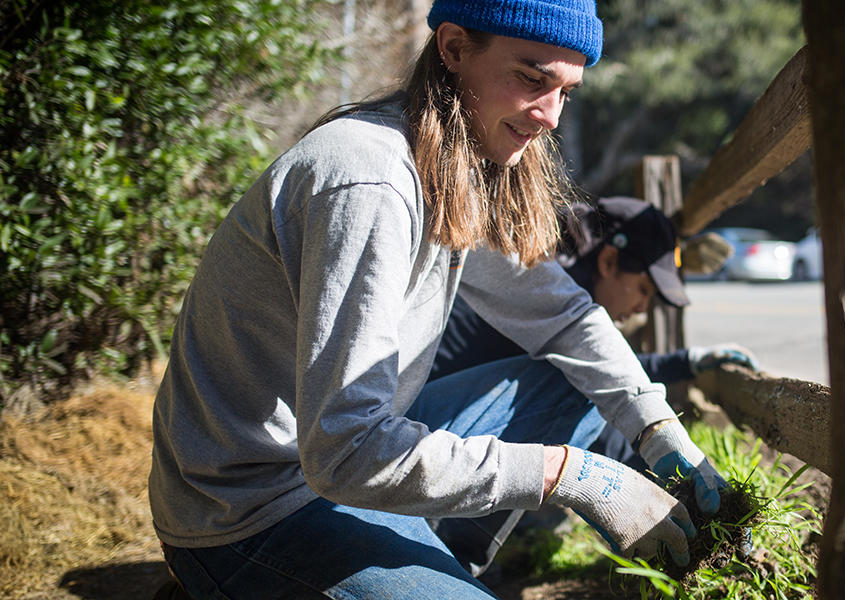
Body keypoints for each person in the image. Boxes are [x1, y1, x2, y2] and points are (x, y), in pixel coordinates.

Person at [148, 1, 730, 598]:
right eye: (532, 78)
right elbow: (345, 451)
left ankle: (428, 563)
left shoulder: (452, 162)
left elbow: (562, 315)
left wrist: (660, 430)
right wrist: (569, 474)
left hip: (338, 460)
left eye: (567, 90)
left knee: (574, 383)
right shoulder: (370, 181)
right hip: (252, 509)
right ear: (453, 49)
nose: (551, 115)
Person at [427, 196, 758, 577]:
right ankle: (452, 556)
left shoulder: (559, 279)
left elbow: (608, 373)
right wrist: (661, 481)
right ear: (608, 262)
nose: (641, 310)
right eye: (644, 290)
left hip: (446, 435)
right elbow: (589, 381)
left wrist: (670, 424)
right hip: (411, 454)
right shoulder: (543, 294)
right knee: (581, 385)